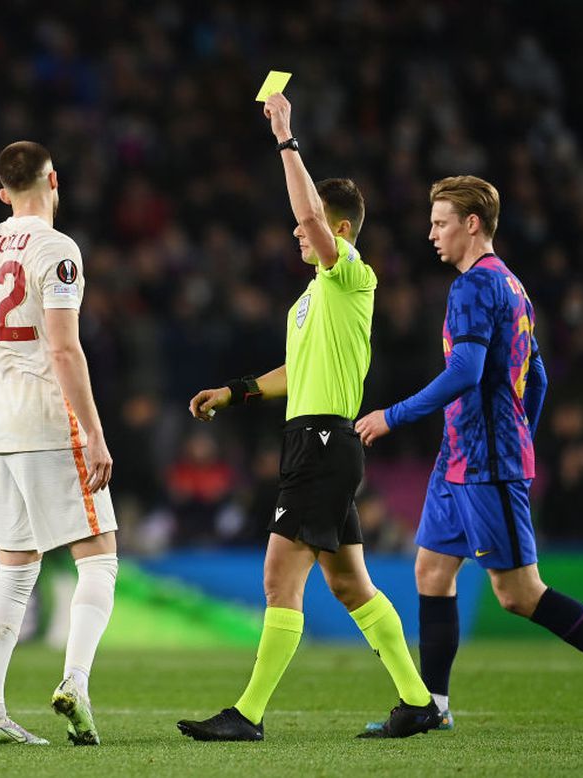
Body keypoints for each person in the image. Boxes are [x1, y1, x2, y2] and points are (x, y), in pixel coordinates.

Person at [355, 175, 583, 732]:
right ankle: (436, 707)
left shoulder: (473, 287)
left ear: (472, 224)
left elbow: (466, 372)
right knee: (430, 570)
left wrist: (392, 415)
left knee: (519, 594)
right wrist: (522, 430)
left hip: (484, 463)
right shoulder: (513, 287)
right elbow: (537, 374)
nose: (431, 234)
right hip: (462, 458)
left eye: (440, 223)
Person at [176, 94, 438, 742]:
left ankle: (248, 715)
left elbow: (311, 222)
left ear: (338, 229)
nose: (297, 233)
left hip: (324, 440)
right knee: (351, 586)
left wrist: (285, 139)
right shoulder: (308, 301)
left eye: (309, 226)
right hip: (313, 437)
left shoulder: (351, 276)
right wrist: (233, 393)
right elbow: (293, 375)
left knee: (277, 577)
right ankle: (417, 700)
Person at [0, 141, 119, 746]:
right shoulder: (57, 250)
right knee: (99, 554)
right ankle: (75, 681)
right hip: (46, 419)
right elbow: (62, 348)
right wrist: (96, 434)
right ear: (55, 180)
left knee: (16, 566)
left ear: (4, 191)